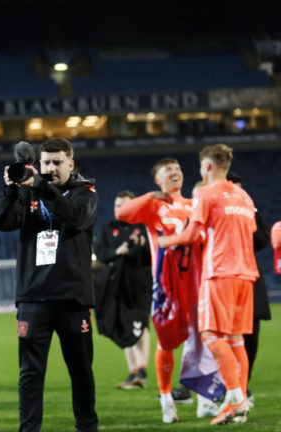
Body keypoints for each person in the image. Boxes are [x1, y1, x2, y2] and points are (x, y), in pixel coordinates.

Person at [0, 137, 99, 432]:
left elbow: (77, 218)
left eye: (57, 162)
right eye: (46, 162)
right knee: (30, 374)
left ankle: (87, 428)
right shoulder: (28, 193)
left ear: (70, 164)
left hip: (73, 300)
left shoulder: (84, 192)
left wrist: (41, 186)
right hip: (33, 298)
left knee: (80, 371)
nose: (51, 168)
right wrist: (10, 190)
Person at [115, 157, 224, 423]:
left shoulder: (194, 203)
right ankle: (166, 399)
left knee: (202, 341)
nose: (175, 172)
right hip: (167, 286)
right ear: (158, 179)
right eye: (168, 170)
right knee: (166, 341)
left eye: (177, 169)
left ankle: (205, 401)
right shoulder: (154, 205)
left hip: (196, 284)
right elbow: (122, 214)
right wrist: (151, 195)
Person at [160, 144, 259, 425]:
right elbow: (251, 230)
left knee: (211, 336)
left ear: (208, 166)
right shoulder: (244, 196)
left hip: (219, 273)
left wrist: (166, 241)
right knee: (235, 340)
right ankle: (238, 402)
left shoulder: (205, 192)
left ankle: (236, 398)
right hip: (246, 274)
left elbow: (192, 234)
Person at [93, 190, 152, 390]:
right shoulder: (109, 228)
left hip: (140, 285)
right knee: (123, 326)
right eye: (117, 205)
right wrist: (116, 251)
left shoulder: (144, 228)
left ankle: (141, 370)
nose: (120, 208)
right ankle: (133, 372)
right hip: (115, 285)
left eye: (125, 205)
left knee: (141, 324)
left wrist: (144, 245)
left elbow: (156, 253)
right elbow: (100, 252)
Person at [226, 172, 271, 407]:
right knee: (217, 337)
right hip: (221, 278)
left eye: (240, 188)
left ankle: (243, 384)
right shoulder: (211, 205)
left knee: (251, 335)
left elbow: (263, 240)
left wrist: (247, 218)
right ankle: (223, 385)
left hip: (250, 277)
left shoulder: (250, 209)